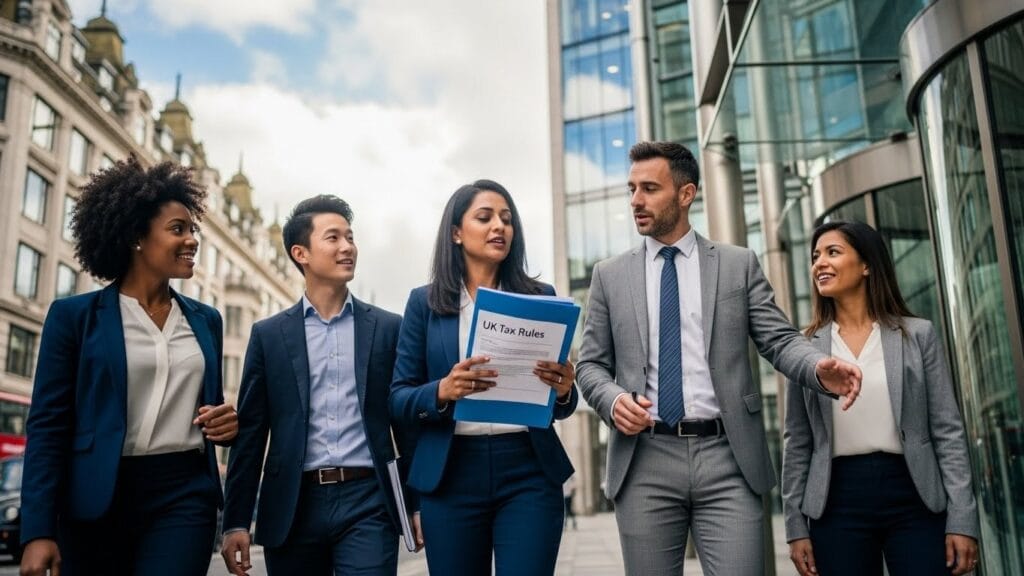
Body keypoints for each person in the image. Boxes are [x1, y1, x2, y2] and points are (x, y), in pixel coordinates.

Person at [576, 141, 863, 576]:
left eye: (650, 188)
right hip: (644, 459)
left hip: (728, 457)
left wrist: (815, 367)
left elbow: (780, 340)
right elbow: (590, 365)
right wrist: (614, 400)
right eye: (631, 189)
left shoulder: (737, 264)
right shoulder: (609, 275)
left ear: (686, 194)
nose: (636, 200)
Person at [19, 157, 238, 576]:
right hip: (96, 499)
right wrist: (38, 530)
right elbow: (47, 426)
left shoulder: (206, 320)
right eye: (178, 229)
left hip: (183, 495)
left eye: (193, 229)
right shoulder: (73, 318)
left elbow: (211, 410)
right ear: (137, 236)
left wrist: (228, 424)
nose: (192, 240)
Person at [220, 195, 418, 576]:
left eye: (350, 237)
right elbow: (251, 434)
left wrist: (416, 504)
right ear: (301, 253)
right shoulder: (268, 335)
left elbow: (405, 425)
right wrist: (236, 521)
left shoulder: (389, 328)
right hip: (293, 504)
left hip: (369, 500)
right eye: (333, 238)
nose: (347, 247)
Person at [390, 180, 577, 575]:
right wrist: (442, 390)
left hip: (528, 469)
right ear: (456, 232)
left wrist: (563, 389)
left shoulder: (541, 297)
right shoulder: (424, 304)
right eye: (485, 217)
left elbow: (563, 404)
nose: (499, 227)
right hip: (451, 472)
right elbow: (398, 398)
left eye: (507, 219)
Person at [782, 220, 980, 576]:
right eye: (815, 256)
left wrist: (963, 519)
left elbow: (948, 431)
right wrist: (795, 527)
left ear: (867, 265)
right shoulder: (806, 347)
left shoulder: (918, 335)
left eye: (833, 252)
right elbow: (797, 441)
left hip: (914, 492)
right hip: (835, 499)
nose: (819, 264)